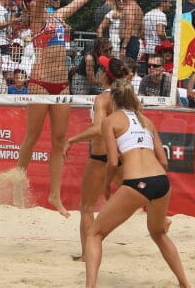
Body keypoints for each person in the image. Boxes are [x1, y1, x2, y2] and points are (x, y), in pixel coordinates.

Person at [15, 0, 113, 217]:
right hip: (40, 83)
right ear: (30, 4)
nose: (40, 0)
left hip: (62, 85)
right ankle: (17, 188)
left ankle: (54, 196)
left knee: (59, 141)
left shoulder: (57, 18)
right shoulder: (36, 19)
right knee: (31, 138)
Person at [81, 79, 190, 288]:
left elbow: (112, 162)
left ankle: (90, 286)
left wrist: (106, 185)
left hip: (137, 183)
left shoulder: (110, 121)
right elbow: (164, 161)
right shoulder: (146, 121)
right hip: (162, 183)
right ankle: (185, 284)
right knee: (159, 233)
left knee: (94, 233)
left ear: (113, 99)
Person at [63, 58, 132, 262]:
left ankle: (86, 254)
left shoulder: (103, 98)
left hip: (102, 158)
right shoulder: (129, 97)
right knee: (139, 192)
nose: (99, 71)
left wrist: (72, 139)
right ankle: (160, 218)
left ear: (105, 76)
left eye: (102, 69)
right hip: (124, 154)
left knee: (86, 207)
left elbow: (99, 129)